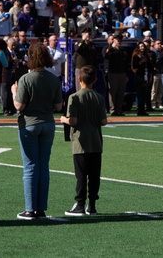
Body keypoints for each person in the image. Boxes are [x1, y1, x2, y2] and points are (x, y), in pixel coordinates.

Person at [12, 42, 64, 220]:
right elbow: (58, 105)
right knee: (43, 166)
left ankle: (29, 208)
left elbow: (19, 105)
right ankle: (40, 208)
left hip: (29, 123)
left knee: (30, 167)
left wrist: (13, 92)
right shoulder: (53, 78)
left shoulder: (27, 79)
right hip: (48, 123)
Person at [60, 65, 108, 216]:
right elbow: (103, 121)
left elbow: (73, 121)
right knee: (94, 175)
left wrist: (63, 119)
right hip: (96, 141)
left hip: (80, 142)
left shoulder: (74, 97)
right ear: (95, 80)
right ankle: (92, 204)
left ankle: (80, 203)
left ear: (79, 79)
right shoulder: (99, 97)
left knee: (81, 175)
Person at [104, 36, 128, 117]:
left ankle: (119, 109)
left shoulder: (123, 50)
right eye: (118, 40)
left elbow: (125, 62)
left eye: (120, 40)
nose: (119, 42)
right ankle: (112, 109)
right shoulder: (109, 49)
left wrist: (126, 74)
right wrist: (111, 48)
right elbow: (105, 56)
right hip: (113, 73)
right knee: (112, 92)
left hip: (122, 73)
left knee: (121, 92)